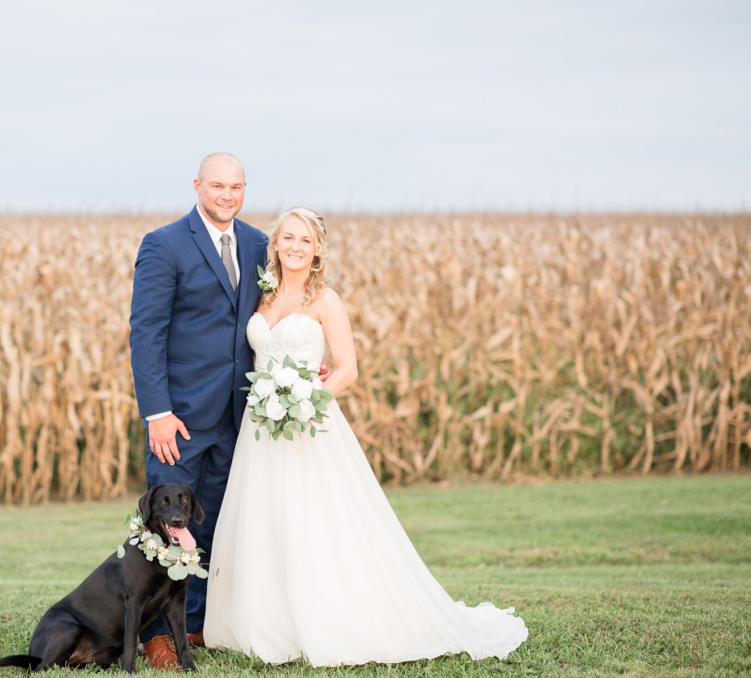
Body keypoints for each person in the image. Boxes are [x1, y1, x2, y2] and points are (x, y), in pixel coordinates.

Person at [203, 207, 528, 666]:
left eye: (306, 240)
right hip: (261, 429)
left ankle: (327, 618)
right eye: (288, 238)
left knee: (316, 523)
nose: (295, 247)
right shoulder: (261, 295)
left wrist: (304, 400)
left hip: (307, 425)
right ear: (274, 244)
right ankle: (268, 623)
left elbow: (348, 369)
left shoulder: (325, 299)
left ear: (317, 251)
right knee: (266, 520)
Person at [128, 152, 269, 669]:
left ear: (244, 189)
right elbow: (146, 331)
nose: (226, 195)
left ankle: (194, 624)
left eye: (236, 187)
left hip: (240, 415)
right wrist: (157, 411)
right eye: (217, 186)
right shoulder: (164, 244)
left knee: (209, 523)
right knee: (164, 525)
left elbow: (271, 316)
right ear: (197, 186)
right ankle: (151, 634)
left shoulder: (258, 244)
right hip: (180, 419)